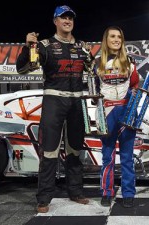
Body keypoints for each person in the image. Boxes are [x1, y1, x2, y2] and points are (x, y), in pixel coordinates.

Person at [16, 5, 91, 213]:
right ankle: (44, 198)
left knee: (75, 150)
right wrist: (28, 47)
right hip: (54, 102)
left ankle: (75, 192)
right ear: (55, 21)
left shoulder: (82, 47)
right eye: (63, 17)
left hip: (77, 103)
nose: (67, 21)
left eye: (70, 18)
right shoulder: (44, 45)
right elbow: (22, 69)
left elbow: (95, 72)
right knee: (49, 151)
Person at [95, 26, 139, 208]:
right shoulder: (96, 63)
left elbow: (135, 87)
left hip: (126, 112)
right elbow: (93, 90)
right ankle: (107, 191)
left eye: (119, 37)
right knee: (108, 156)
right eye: (112, 36)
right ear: (106, 39)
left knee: (127, 157)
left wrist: (133, 105)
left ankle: (128, 192)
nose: (116, 39)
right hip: (106, 113)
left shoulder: (129, 62)